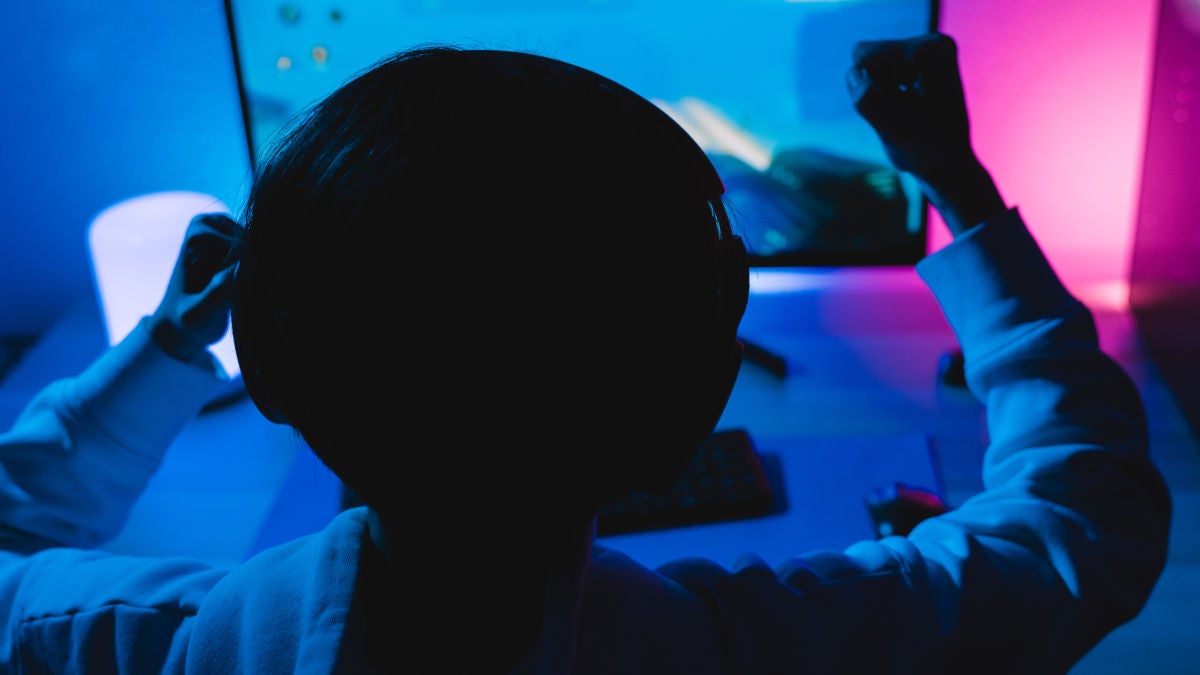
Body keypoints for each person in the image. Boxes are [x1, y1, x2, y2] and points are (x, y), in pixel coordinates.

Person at [0, 32, 1171, 674]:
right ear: (694, 407)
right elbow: (1082, 524)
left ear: (269, 357)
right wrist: (956, 184)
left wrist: (169, 345)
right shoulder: (784, 648)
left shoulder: (110, 643)